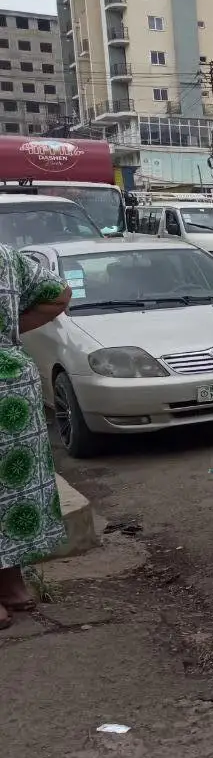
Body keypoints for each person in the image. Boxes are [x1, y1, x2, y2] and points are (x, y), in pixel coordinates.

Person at [0, 246, 71, 629]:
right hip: (11, 381)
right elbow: (59, 294)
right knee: (11, 489)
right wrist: (10, 328)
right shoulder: (4, 256)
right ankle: (12, 587)